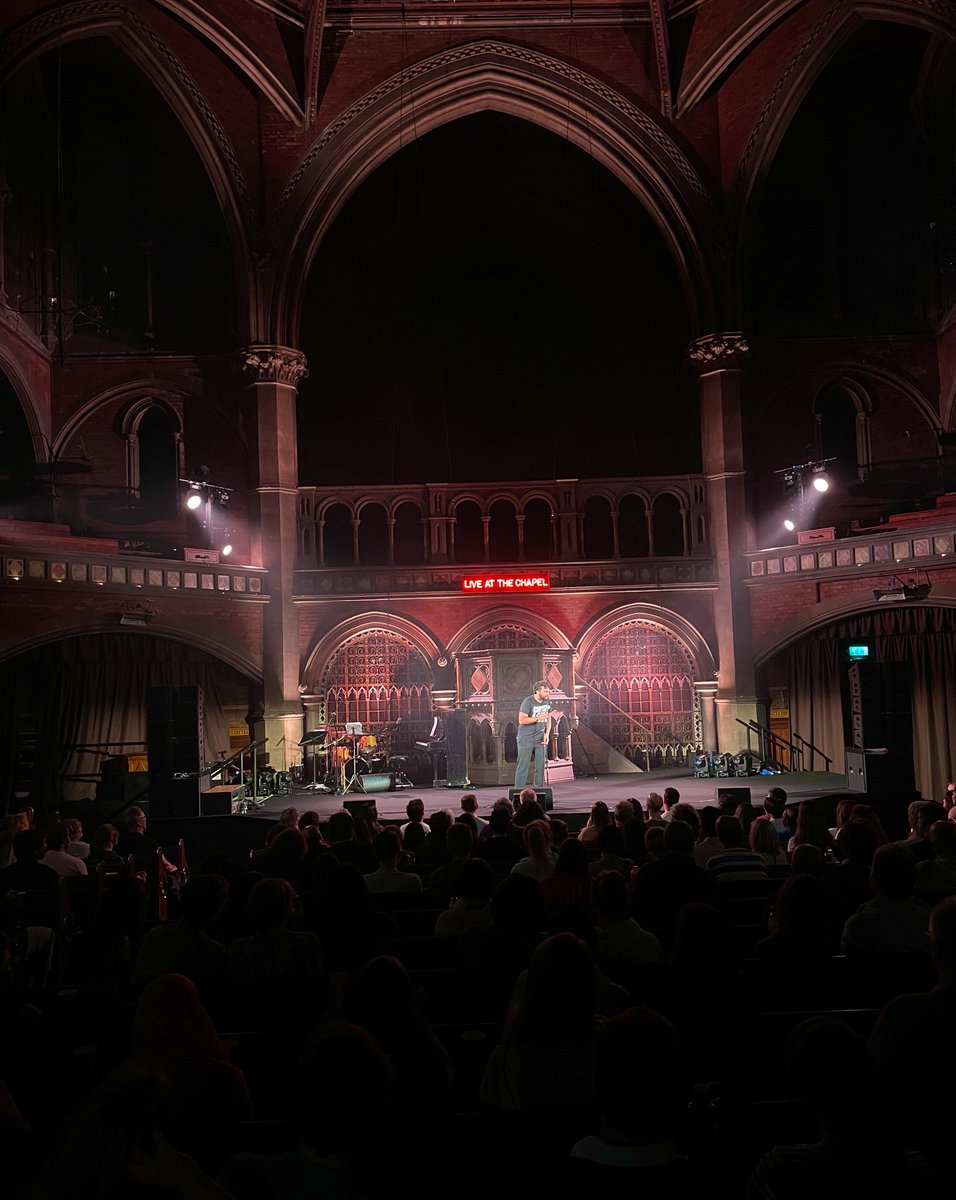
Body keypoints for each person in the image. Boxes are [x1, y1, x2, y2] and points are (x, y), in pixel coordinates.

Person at [514, 679, 551, 788]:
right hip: (526, 738)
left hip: (540, 738)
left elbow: (548, 719)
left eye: (548, 691)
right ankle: (519, 792)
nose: (548, 694)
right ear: (537, 691)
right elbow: (521, 720)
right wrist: (536, 718)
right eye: (545, 691)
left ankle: (539, 791)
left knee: (540, 766)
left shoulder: (547, 701)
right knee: (523, 766)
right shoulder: (528, 702)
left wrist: (547, 734)